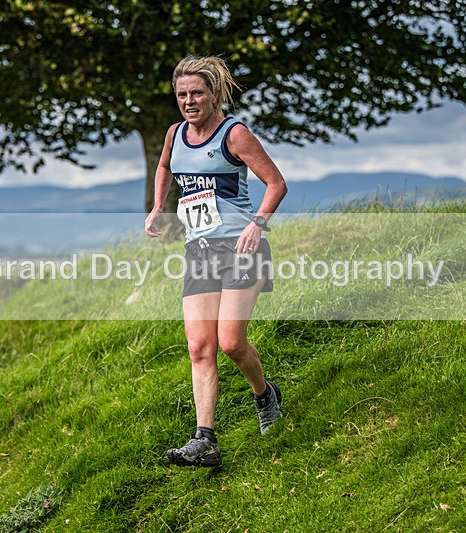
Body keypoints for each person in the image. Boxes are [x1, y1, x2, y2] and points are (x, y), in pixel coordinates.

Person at [145, 55, 288, 467]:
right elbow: (165, 166)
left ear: (213, 94)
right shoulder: (175, 134)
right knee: (199, 347)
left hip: (242, 249)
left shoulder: (234, 134)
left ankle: (265, 395)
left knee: (230, 343)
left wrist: (258, 224)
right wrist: (157, 206)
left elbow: (276, 183)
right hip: (199, 251)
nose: (188, 101)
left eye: (196, 93)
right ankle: (204, 440)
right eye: (181, 94)